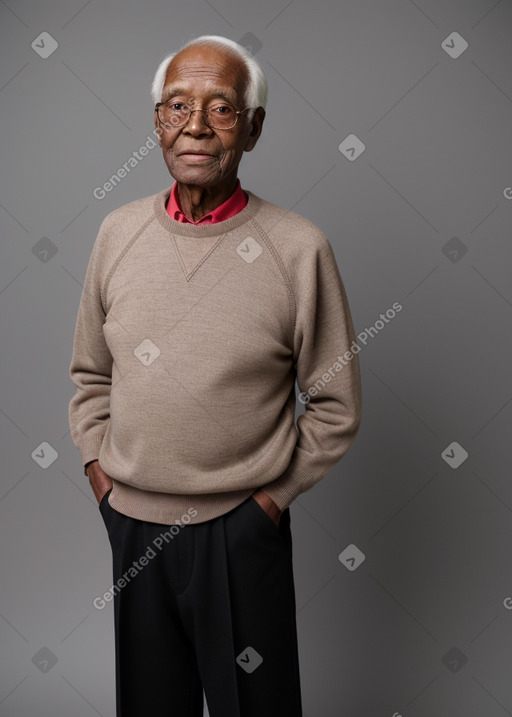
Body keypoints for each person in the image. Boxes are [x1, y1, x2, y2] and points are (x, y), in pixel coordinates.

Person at [68, 34, 362, 717]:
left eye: (221, 108)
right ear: (157, 123)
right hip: (133, 524)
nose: (195, 125)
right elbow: (89, 375)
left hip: (239, 528)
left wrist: (267, 504)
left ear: (253, 128)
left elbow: (334, 405)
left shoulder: (299, 248)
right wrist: (100, 475)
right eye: (177, 105)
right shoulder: (117, 233)